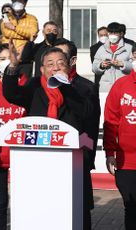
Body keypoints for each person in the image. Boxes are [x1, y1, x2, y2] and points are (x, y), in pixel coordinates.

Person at [54, 38, 100, 230]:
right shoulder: (41, 85)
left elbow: (90, 126)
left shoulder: (85, 87)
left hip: (77, 157)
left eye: (61, 58)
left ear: (72, 60)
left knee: (80, 211)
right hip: (49, 157)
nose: (56, 63)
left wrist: (86, 157)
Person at [3, 40, 94, 133]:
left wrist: (65, 85)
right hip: (38, 140)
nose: (56, 68)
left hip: (68, 142)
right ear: (42, 69)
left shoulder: (79, 87)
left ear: (68, 66)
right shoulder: (35, 85)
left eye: (61, 63)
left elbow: (86, 113)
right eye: (50, 64)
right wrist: (13, 65)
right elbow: (11, 94)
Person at [0, 43, 27, 230]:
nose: (6, 62)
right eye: (2, 59)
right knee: (0, 202)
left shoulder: (27, 85)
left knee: (23, 201)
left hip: (23, 154)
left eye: (9, 58)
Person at [103, 62, 136, 230]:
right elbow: (111, 121)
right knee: (131, 207)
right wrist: (110, 152)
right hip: (127, 162)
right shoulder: (121, 85)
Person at [92, 22, 133, 92]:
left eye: (115, 33)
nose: (112, 35)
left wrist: (123, 64)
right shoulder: (102, 48)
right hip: (106, 88)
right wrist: (101, 65)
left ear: (121, 34)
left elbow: (134, 67)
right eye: (110, 33)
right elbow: (94, 68)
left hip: (123, 87)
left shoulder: (129, 48)